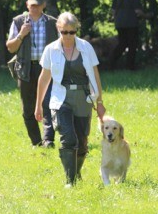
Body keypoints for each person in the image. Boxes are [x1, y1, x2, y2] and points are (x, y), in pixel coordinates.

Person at [35, 12, 106, 187]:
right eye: (64, 32)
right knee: (68, 138)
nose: (68, 36)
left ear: (76, 30)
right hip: (60, 98)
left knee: (82, 141)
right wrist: (38, 106)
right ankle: (70, 181)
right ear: (59, 30)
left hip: (83, 97)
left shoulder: (86, 48)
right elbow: (44, 79)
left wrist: (100, 102)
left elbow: (95, 75)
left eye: (71, 32)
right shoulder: (51, 49)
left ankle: (77, 172)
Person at [6, 0, 57, 148]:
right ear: (27, 5)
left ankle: (48, 140)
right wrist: (21, 34)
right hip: (26, 69)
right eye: (32, 5)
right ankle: (37, 142)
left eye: (38, 5)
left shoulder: (52, 23)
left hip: (47, 68)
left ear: (43, 5)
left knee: (48, 104)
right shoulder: (18, 22)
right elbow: (10, 48)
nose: (34, 8)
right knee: (28, 108)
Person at [109, 0, 152, 70]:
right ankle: (130, 66)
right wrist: (146, 16)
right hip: (131, 23)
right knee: (132, 45)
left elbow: (113, 11)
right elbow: (138, 12)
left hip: (119, 23)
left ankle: (111, 62)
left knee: (122, 44)